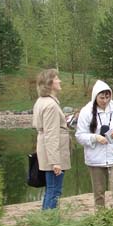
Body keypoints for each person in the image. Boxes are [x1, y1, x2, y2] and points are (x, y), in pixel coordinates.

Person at [75, 80, 113, 210]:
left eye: (107, 97)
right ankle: (101, 220)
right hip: (95, 159)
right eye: (102, 98)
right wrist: (95, 138)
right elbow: (80, 135)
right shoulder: (86, 111)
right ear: (95, 97)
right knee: (99, 193)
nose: (105, 100)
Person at [32, 69, 71, 210]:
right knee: (54, 190)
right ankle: (49, 223)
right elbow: (51, 134)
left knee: (51, 189)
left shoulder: (41, 102)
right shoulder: (51, 105)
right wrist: (55, 162)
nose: (59, 81)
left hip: (47, 152)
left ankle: (46, 222)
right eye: (56, 78)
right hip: (53, 155)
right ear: (49, 83)